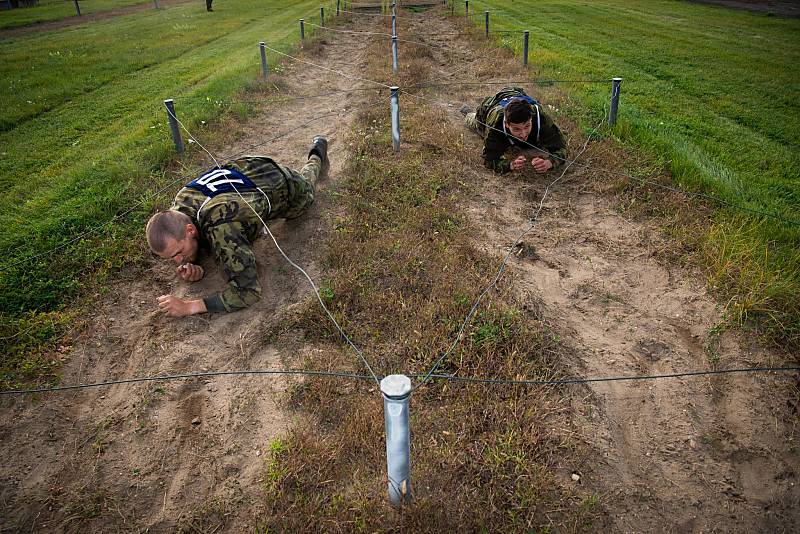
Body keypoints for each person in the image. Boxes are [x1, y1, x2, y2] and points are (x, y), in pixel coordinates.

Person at [145, 136, 328, 318]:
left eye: (178, 252)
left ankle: (317, 153)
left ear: (190, 230)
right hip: (246, 169)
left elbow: (248, 292)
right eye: (172, 258)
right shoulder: (180, 205)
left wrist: (189, 306)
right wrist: (193, 263)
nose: (178, 261)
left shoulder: (222, 225)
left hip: (280, 184)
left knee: (307, 185)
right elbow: (199, 237)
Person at [463, 86, 567, 175]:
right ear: (507, 125)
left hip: (516, 93)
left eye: (527, 126)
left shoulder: (540, 116)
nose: (523, 134)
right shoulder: (496, 123)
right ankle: (467, 112)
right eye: (516, 129)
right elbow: (489, 160)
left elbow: (561, 147)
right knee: (474, 122)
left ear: (531, 119)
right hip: (490, 109)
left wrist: (550, 162)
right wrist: (510, 166)